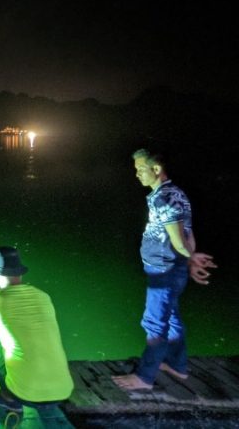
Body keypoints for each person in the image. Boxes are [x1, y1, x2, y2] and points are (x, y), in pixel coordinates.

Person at [112, 149, 216, 390]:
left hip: (164, 272)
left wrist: (190, 257)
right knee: (172, 318)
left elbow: (179, 241)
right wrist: (189, 261)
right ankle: (177, 366)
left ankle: (144, 377)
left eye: (140, 170)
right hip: (172, 268)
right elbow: (187, 233)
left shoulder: (164, 198)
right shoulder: (175, 193)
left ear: (156, 169)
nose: (137, 175)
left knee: (155, 323)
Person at [0, 247, 73, 412]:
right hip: (62, 392)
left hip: (24, 394)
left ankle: (8, 398)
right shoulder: (44, 296)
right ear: (20, 273)